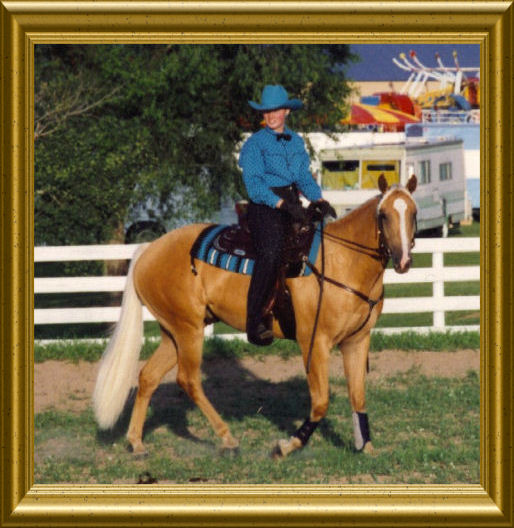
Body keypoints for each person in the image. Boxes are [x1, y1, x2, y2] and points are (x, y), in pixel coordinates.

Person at [238, 84, 336, 346]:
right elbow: (255, 185)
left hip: (292, 202)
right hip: (264, 207)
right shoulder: (254, 144)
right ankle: (254, 320)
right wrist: (281, 204)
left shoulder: (295, 141)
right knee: (270, 253)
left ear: (286, 112)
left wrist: (318, 199)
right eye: (267, 111)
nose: (272, 116)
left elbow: (303, 175)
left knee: (316, 244)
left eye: (276, 111)